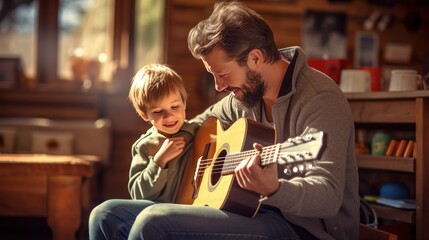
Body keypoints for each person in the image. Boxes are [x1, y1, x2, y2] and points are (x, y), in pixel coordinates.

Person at [89, 1, 360, 239]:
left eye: (223, 74)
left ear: (255, 58)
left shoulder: (319, 99)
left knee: (155, 223)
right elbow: (196, 125)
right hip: (250, 211)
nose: (219, 87)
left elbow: (328, 197)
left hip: (301, 228)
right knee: (106, 215)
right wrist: (163, 149)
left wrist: (274, 189)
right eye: (213, 76)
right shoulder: (245, 96)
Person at [89, 63, 199, 239]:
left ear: (184, 103)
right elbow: (139, 194)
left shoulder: (200, 132)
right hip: (155, 210)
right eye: (158, 111)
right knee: (102, 214)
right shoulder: (144, 146)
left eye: (175, 107)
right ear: (144, 114)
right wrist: (158, 162)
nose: (169, 116)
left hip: (191, 210)